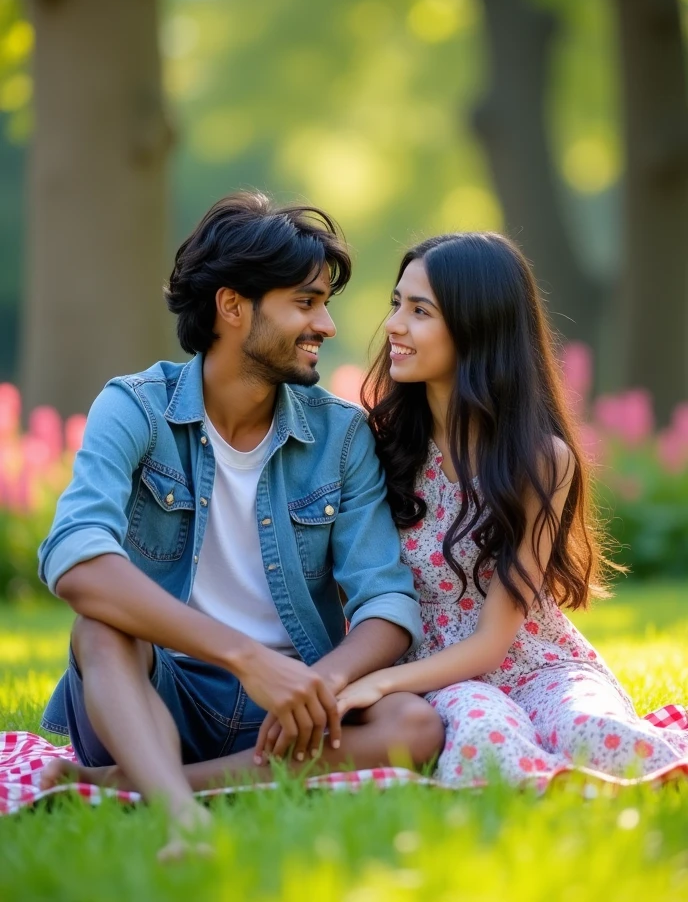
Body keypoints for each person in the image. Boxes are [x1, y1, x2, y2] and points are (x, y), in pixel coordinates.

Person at [38, 192, 443, 856]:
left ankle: (130, 785)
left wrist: (322, 682)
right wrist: (244, 657)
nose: (328, 325)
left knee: (415, 725)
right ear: (232, 307)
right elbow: (77, 559)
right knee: (101, 630)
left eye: (325, 304)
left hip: (291, 705)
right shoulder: (134, 407)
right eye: (305, 303)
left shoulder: (339, 435)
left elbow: (388, 602)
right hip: (158, 690)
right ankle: (182, 818)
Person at [336, 232, 688, 787]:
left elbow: (493, 641)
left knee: (599, 734)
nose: (395, 325)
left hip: (534, 662)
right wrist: (383, 679)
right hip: (436, 676)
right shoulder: (376, 447)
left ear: (478, 326)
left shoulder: (540, 460)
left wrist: (377, 685)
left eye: (420, 310)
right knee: (487, 740)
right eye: (396, 304)